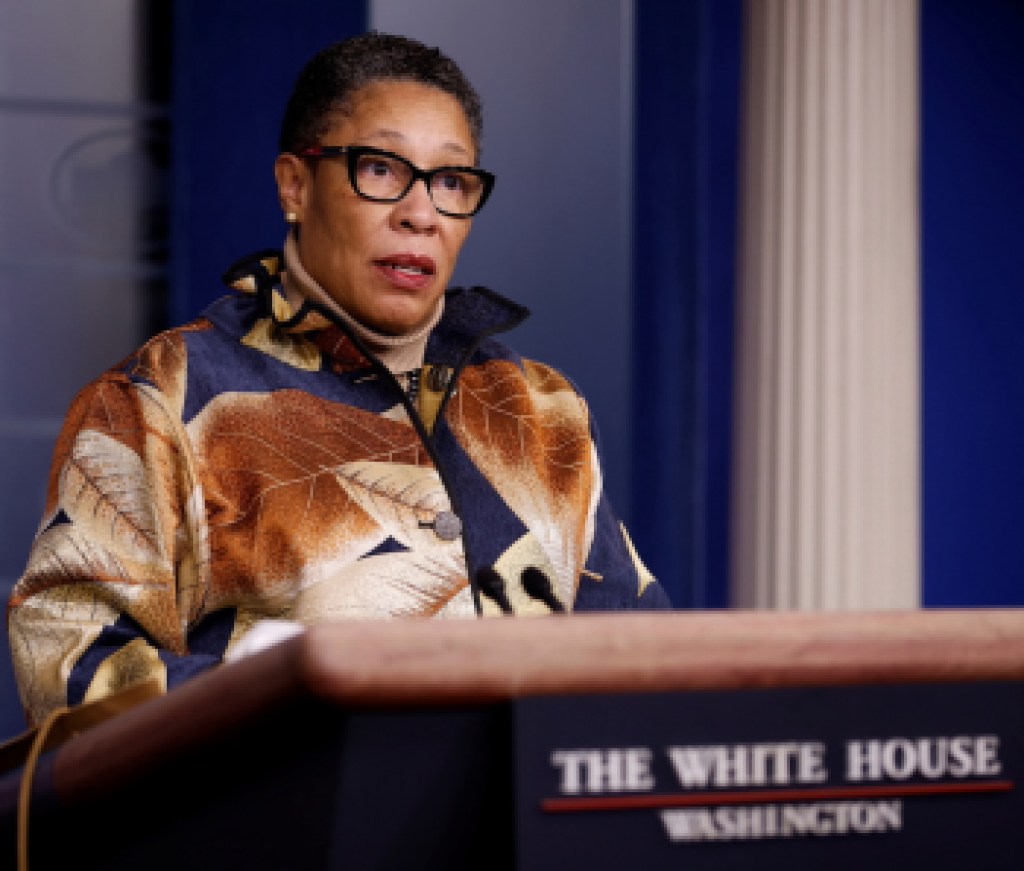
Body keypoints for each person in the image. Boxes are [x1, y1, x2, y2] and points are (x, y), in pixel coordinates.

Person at [7, 32, 671, 727]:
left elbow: (640, 656)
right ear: (295, 185)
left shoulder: (542, 410)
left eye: (450, 181)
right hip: (286, 828)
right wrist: (289, 690)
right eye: (381, 169)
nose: (420, 213)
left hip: (529, 833)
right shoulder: (162, 398)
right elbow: (67, 661)